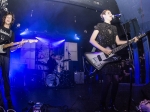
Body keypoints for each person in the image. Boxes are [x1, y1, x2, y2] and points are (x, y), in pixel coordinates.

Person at [89, 9, 138, 111]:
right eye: (108, 13)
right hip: (105, 56)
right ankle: (102, 105)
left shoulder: (114, 27)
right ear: (103, 16)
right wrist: (103, 50)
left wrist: (131, 40)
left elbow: (118, 41)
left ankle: (112, 104)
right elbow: (92, 40)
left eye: (111, 13)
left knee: (116, 81)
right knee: (107, 81)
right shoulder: (99, 25)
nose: (111, 14)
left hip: (114, 57)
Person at [0, 12, 24, 110]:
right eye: (7, 17)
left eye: (10, 18)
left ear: (12, 20)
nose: (9, 19)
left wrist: (18, 46)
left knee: (6, 77)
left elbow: (12, 49)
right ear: (4, 18)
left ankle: (8, 97)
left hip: (6, 56)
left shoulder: (11, 33)